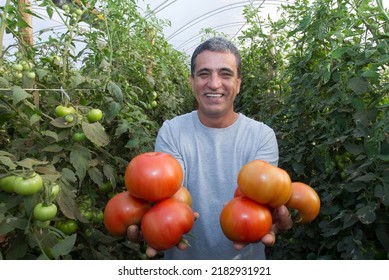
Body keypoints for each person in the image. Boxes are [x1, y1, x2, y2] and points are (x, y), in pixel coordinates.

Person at [128, 37, 292, 260]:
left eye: (225, 74)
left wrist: (269, 218)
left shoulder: (261, 136)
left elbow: (260, 200)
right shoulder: (172, 131)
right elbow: (169, 195)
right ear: (192, 81)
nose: (214, 84)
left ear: (239, 83)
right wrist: (151, 223)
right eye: (204, 74)